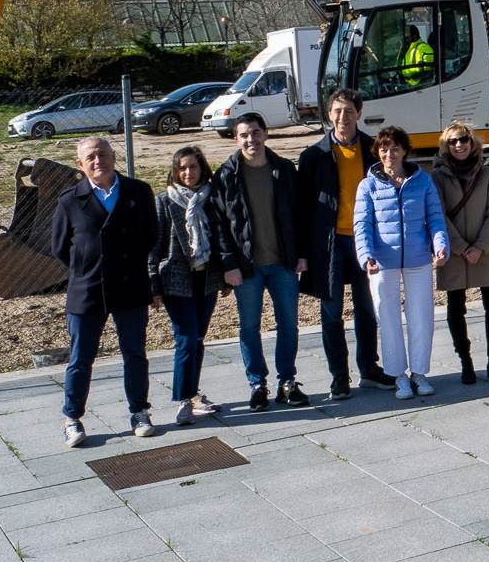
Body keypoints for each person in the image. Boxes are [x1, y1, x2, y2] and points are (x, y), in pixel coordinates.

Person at [51, 136, 159, 447]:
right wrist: (88, 266)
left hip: (131, 286)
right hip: (87, 290)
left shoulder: (139, 192)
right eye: (91, 157)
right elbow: (60, 248)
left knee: (135, 355)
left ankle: (139, 412)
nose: (99, 161)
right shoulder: (69, 200)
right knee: (80, 358)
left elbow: (151, 235)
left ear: (113, 156)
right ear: (80, 165)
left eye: (103, 154)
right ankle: (72, 418)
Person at [296, 89, 395, 401]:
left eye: (349, 110)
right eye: (337, 110)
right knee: (331, 314)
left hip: (365, 242)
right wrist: (303, 252)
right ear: (329, 114)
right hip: (329, 246)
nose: (343, 117)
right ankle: (339, 377)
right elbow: (305, 208)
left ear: (359, 113)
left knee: (367, 310)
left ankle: (369, 370)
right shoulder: (314, 156)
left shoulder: (372, 149)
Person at [209, 113, 309, 412]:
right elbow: (219, 225)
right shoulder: (226, 174)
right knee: (249, 327)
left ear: (265, 134)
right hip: (246, 267)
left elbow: (299, 214)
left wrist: (301, 253)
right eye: (244, 135)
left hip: (283, 263)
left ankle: (287, 382)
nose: (251, 139)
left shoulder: (283, 169)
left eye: (255, 132)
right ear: (236, 139)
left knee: (289, 325)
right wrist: (229, 264)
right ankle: (257, 384)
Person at [353, 126, 449, 398]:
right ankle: (398, 376)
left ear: (405, 150)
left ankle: (419, 373)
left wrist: (440, 246)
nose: (389, 154)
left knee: (422, 317)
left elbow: (435, 218)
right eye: (383, 148)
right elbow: (362, 224)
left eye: (394, 148)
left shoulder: (423, 180)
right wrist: (366, 255)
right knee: (388, 319)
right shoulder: (368, 185)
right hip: (383, 263)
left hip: (418, 259)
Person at [148, 145, 223, 426]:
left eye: (193, 166)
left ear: (202, 167)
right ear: (174, 171)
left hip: (206, 279)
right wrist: (153, 282)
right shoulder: (165, 201)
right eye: (182, 168)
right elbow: (154, 247)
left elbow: (221, 237)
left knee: (199, 339)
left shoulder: (212, 197)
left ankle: (193, 393)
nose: (188, 172)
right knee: (186, 338)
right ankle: (182, 398)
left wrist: (226, 274)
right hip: (175, 281)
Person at [432, 122, 489, 384]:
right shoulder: (438, 176)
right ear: (445, 145)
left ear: (472, 142)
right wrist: (462, 248)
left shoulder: (485, 174)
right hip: (455, 252)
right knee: (455, 307)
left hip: (483, 249)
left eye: (463, 139)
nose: (459, 145)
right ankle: (466, 362)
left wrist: (480, 247)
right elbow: (437, 214)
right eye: (453, 141)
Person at [400, 23, 435, 88]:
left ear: (414, 36)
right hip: (407, 85)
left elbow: (428, 73)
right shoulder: (409, 49)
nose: (406, 39)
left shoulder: (424, 48)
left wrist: (418, 85)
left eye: (407, 37)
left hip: (418, 87)